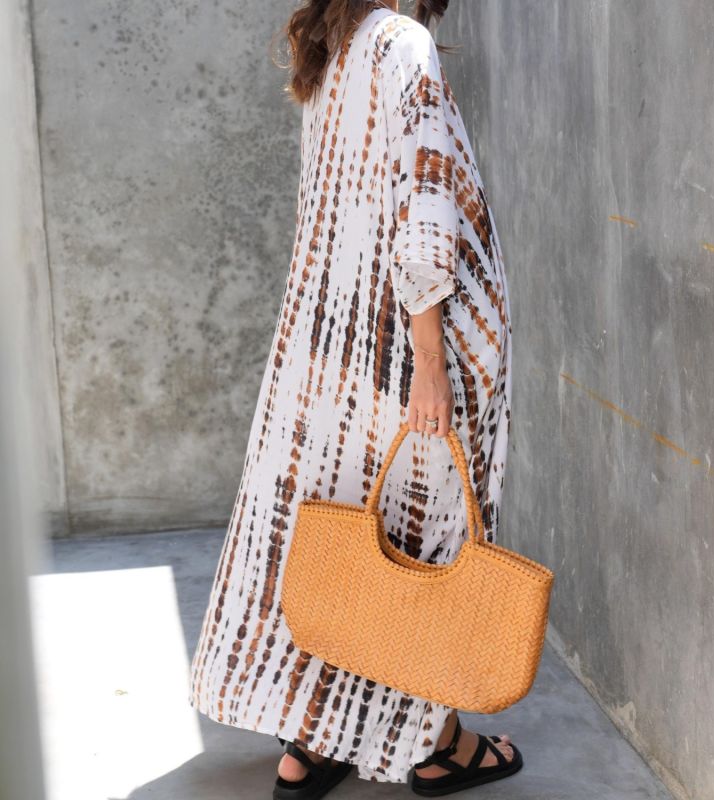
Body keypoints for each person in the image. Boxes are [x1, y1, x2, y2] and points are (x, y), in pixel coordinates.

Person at [188, 0, 518, 796]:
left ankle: (314, 739)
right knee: (418, 547)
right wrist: (432, 363)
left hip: (337, 352)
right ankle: (434, 741)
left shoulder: (336, 52)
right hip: (407, 350)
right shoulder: (403, 45)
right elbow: (425, 215)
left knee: (342, 537)